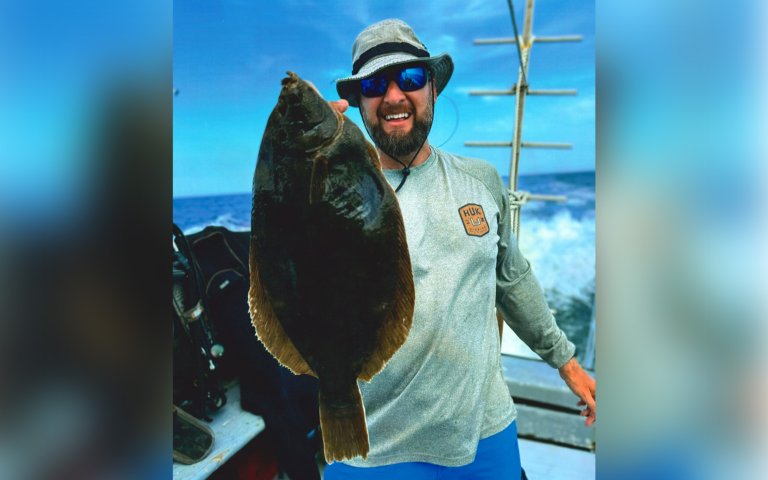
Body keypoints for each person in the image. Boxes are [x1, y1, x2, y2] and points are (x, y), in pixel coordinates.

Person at [324, 19, 596, 479]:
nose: (393, 96)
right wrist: (302, 160)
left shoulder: (481, 180)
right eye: (374, 84)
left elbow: (510, 278)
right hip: (371, 444)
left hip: (484, 432)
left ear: (431, 87)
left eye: (409, 78)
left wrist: (566, 362)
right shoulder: (330, 192)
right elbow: (295, 282)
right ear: (359, 102)